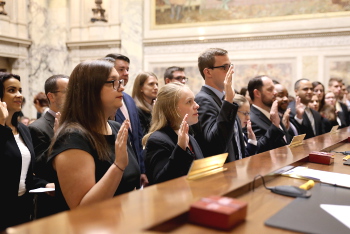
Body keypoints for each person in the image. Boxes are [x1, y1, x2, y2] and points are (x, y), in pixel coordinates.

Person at [47, 60, 141, 213]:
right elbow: (82, 208)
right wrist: (118, 166)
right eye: (113, 82)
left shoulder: (116, 128)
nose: (122, 87)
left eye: (121, 82)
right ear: (90, 89)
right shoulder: (72, 138)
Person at [0, 72, 51, 230]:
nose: (19, 95)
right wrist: (1, 124)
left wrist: (45, 184)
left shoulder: (23, 129)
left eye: (20, 90)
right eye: (12, 90)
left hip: (23, 208)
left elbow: (23, 172)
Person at [143, 83, 203, 185]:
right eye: (189, 102)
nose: (197, 105)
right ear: (172, 109)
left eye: (194, 100)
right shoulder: (157, 140)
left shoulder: (190, 137)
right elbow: (161, 182)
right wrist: (180, 148)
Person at [28, 74, 69, 218]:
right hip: (53, 202)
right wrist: (58, 140)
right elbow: (39, 166)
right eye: (67, 92)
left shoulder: (76, 122)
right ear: (51, 97)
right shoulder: (38, 128)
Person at [104, 53, 148, 186]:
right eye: (121, 69)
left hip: (133, 170)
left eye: (127, 69)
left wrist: (141, 170)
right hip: (113, 173)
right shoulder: (106, 102)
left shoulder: (128, 99)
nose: (126, 73)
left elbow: (137, 138)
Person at [192, 48, 240, 162]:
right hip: (221, 174)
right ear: (208, 72)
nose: (230, 71)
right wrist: (228, 101)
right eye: (224, 67)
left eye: (230, 66)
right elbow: (215, 145)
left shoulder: (225, 98)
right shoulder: (202, 100)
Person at [247, 75, 291, 153]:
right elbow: (259, 149)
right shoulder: (249, 119)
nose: (275, 93)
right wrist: (275, 125)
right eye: (270, 89)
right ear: (257, 93)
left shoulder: (273, 112)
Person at [132, 72, 158, 136]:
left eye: (156, 84)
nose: (156, 87)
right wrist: (156, 115)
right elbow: (143, 136)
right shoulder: (136, 109)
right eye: (151, 84)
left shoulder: (156, 106)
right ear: (141, 88)